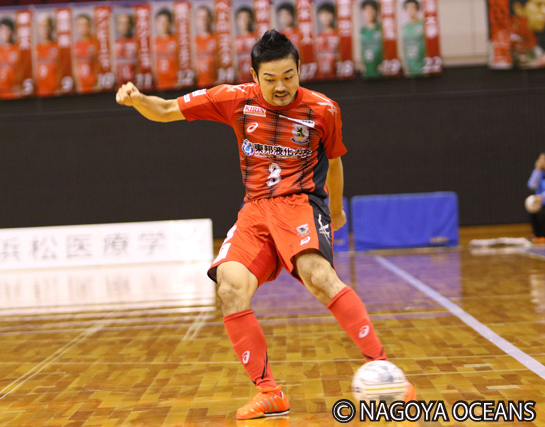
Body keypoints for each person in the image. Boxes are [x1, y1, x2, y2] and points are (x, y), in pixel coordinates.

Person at [116, 29, 415, 420]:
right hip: (255, 210)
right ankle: (269, 392)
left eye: (288, 76)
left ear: (300, 69)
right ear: (255, 76)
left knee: (318, 276)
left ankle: (385, 371)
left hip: (300, 203)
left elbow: (335, 161)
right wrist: (138, 100)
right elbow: (168, 108)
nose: (281, 87)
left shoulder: (324, 109)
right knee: (229, 286)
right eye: (270, 79)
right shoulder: (234, 99)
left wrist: (336, 209)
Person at [511, 0, 545, 67]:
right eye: (538, 5)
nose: (544, 11)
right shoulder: (503, 41)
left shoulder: (537, 46)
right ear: (519, 8)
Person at [74, 14, 99, 94]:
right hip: (81, 86)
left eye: (85, 24)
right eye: (80, 25)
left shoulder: (96, 43)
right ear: (77, 27)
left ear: (89, 26)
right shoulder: (75, 45)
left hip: (94, 86)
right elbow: (75, 66)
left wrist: (98, 82)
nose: (83, 27)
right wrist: (77, 83)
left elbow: (99, 65)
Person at [0, 18, 20, 99]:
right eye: (2, 30)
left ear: (12, 31)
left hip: (16, 93)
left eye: (7, 30)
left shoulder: (19, 50)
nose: (5, 33)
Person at [36, 14, 59, 97]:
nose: (45, 29)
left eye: (47, 26)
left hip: (56, 92)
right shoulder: (34, 50)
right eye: (42, 26)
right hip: (39, 93)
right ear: (38, 29)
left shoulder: (58, 47)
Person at [154, 9, 177, 90]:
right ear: (156, 24)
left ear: (170, 23)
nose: (163, 24)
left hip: (176, 85)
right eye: (160, 21)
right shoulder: (153, 43)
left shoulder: (177, 41)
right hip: (158, 86)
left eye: (165, 21)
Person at [195, 6, 218, 88]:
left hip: (216, 85)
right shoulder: (192, 42)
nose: (203, 20)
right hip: (197, 86)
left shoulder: (218, 40)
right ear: (196, 21)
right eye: (200, 18)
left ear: (210, 19)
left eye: (205, 17)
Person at [401, 0, 426, 76]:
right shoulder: (404, 28)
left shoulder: (423, 25)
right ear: (405, 10)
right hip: (409, 67)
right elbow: (404, 48)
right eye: (408, 8)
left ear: (417, 9)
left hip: (422, 67)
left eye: (413, 7)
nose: (411, 10)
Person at [360, 0, 383, 78]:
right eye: (366, 10)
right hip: (365, 74)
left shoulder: (382, 30)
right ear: (362, 12)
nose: (369, 13)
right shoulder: (361, 32)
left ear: (376, 11)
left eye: (372, 10)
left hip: (381, 74)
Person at [315, 3, 339, 79]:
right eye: (323, 14)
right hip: (320, 77)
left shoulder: (338, 35)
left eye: (329, 13)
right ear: (319, 17)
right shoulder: (317, 38)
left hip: (336, 76)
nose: (326, 17)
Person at [115, 13, 137, 87]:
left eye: (127, 23)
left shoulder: (137, 42)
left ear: (131, 25)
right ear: (117, 26)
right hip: (119, 85)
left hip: (135, 84)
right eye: (121, 23)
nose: (124, 26)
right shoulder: (114, 44)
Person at [235, 7, 256, 83]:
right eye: (242, 18)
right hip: (240, 80)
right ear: (237, 21)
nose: (245, 21)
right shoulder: (234, 40)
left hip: (254, 79)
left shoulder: (256, 37)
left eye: (247, 18)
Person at [528, 153, 545, 242]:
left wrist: (542, 196)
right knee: (532, 209)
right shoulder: (539, 173)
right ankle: (538, 235)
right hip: (539, 202)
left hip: (543, 199)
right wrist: (537, 170)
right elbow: (532, 185)